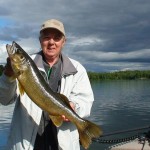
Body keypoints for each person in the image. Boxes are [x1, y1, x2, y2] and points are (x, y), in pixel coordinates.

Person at [0, 19, 94, 150]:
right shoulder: (23, 66)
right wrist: (8, 75)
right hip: (27, 145)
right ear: (40, 40)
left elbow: (86, 101)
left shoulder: (77, 69)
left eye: (57, 38)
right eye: (47, 37)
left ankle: (83, 126)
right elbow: (4, 100)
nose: (51, 42)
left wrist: (74, 107)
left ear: (63, 42)